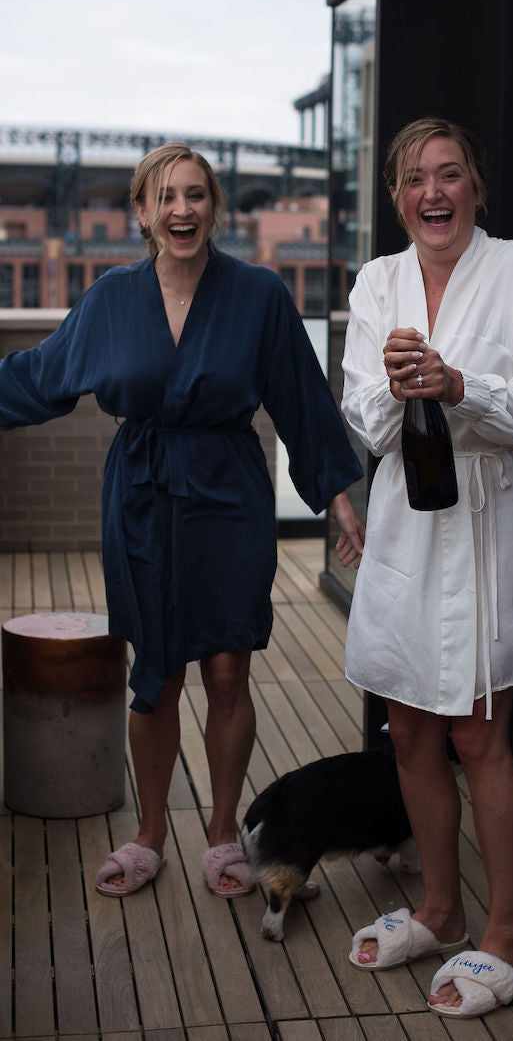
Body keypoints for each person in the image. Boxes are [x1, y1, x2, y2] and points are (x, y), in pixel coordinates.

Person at [0, 144, 364, 898]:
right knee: (155, 676)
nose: (182, 210)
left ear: (215, 208)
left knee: (229, 669)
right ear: (141, 212)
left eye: (197, 195)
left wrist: (337, 498)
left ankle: (224, 834)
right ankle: (149, 834)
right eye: (166, 197)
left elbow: (300, 397)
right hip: (140, 494)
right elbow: (43, 375)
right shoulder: (110, 299)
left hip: (228, 492)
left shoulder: (259, 295)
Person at [340, 118, 513, 1017]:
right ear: (397, 197)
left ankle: (509, 936)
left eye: (451, 175)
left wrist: (460, 388)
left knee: (480, 734)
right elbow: (366, 424)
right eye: (416, 179)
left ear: (476, 189)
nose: (434, 192)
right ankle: (444, 910)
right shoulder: (377, 281)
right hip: (410, 525)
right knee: (410, 730)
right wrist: (393, 380)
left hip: (495, 524)